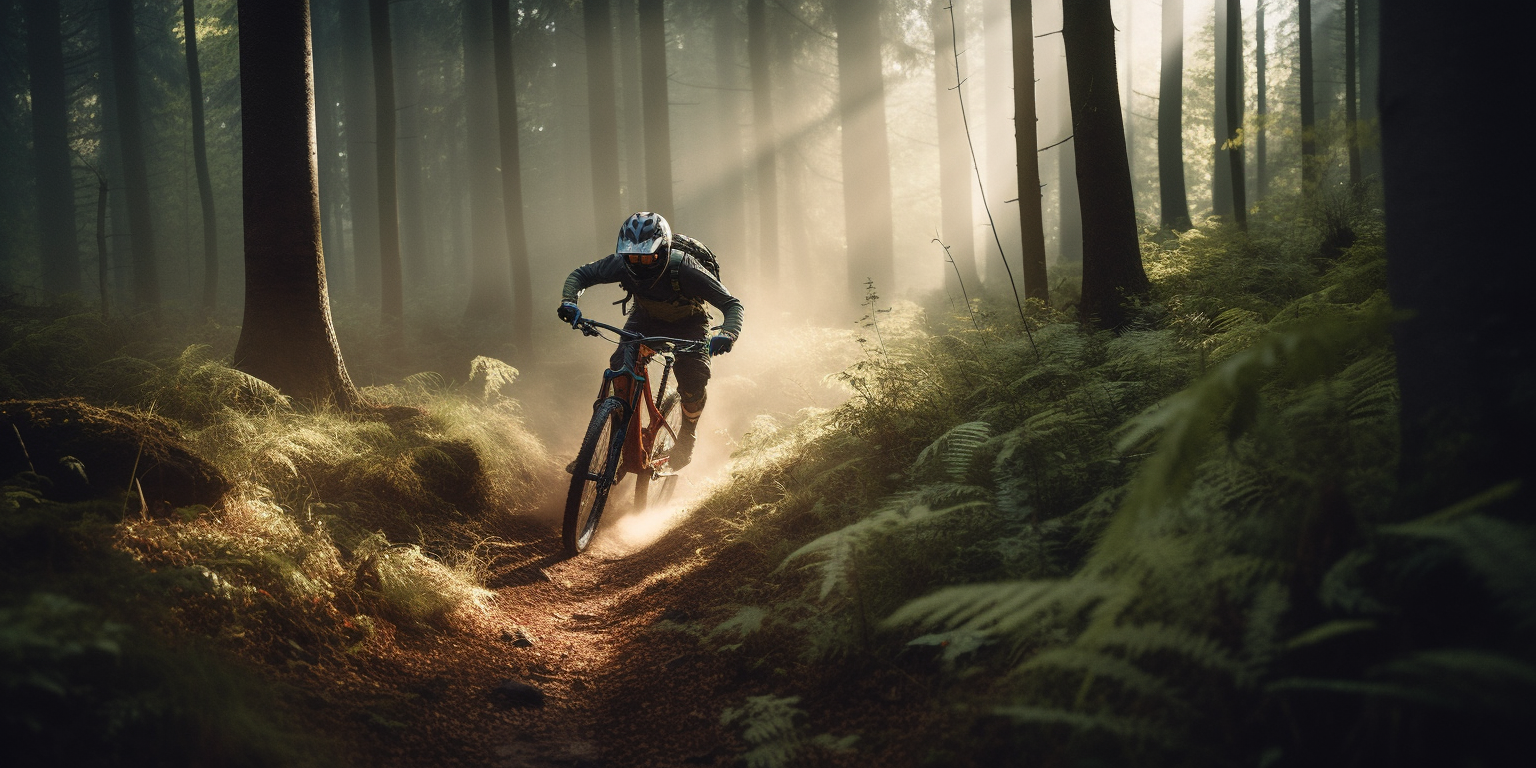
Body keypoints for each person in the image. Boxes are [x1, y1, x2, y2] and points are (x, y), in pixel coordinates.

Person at [557, 212, 744, 469]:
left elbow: (731, 304)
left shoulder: (685, 267)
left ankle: (687, 436)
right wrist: (569, 302)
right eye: (633, 256)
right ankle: (602, 443)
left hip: (690, 324)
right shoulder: (622, 264)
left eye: (647, 256)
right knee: (618, 373)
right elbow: (581, 275)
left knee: (694, 379)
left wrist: (728, 334)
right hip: (644, 319)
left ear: (663, 250)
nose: (640, 263)